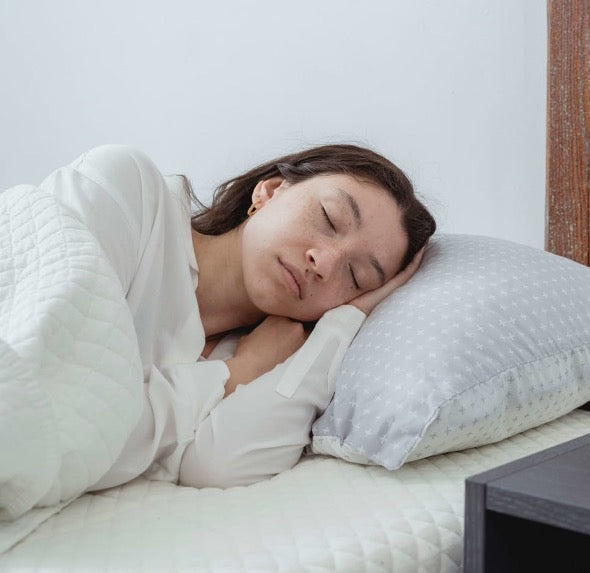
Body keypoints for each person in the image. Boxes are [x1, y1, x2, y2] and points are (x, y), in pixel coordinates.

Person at [37, 143, 436, 490]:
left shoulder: (252, 353)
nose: (325, 262)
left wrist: (338, 328)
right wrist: (236, 373)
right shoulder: (128, 191)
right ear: (270, 190)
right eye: (330, 219)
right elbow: (57, 406)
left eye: (356, 277)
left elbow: (217, 465)